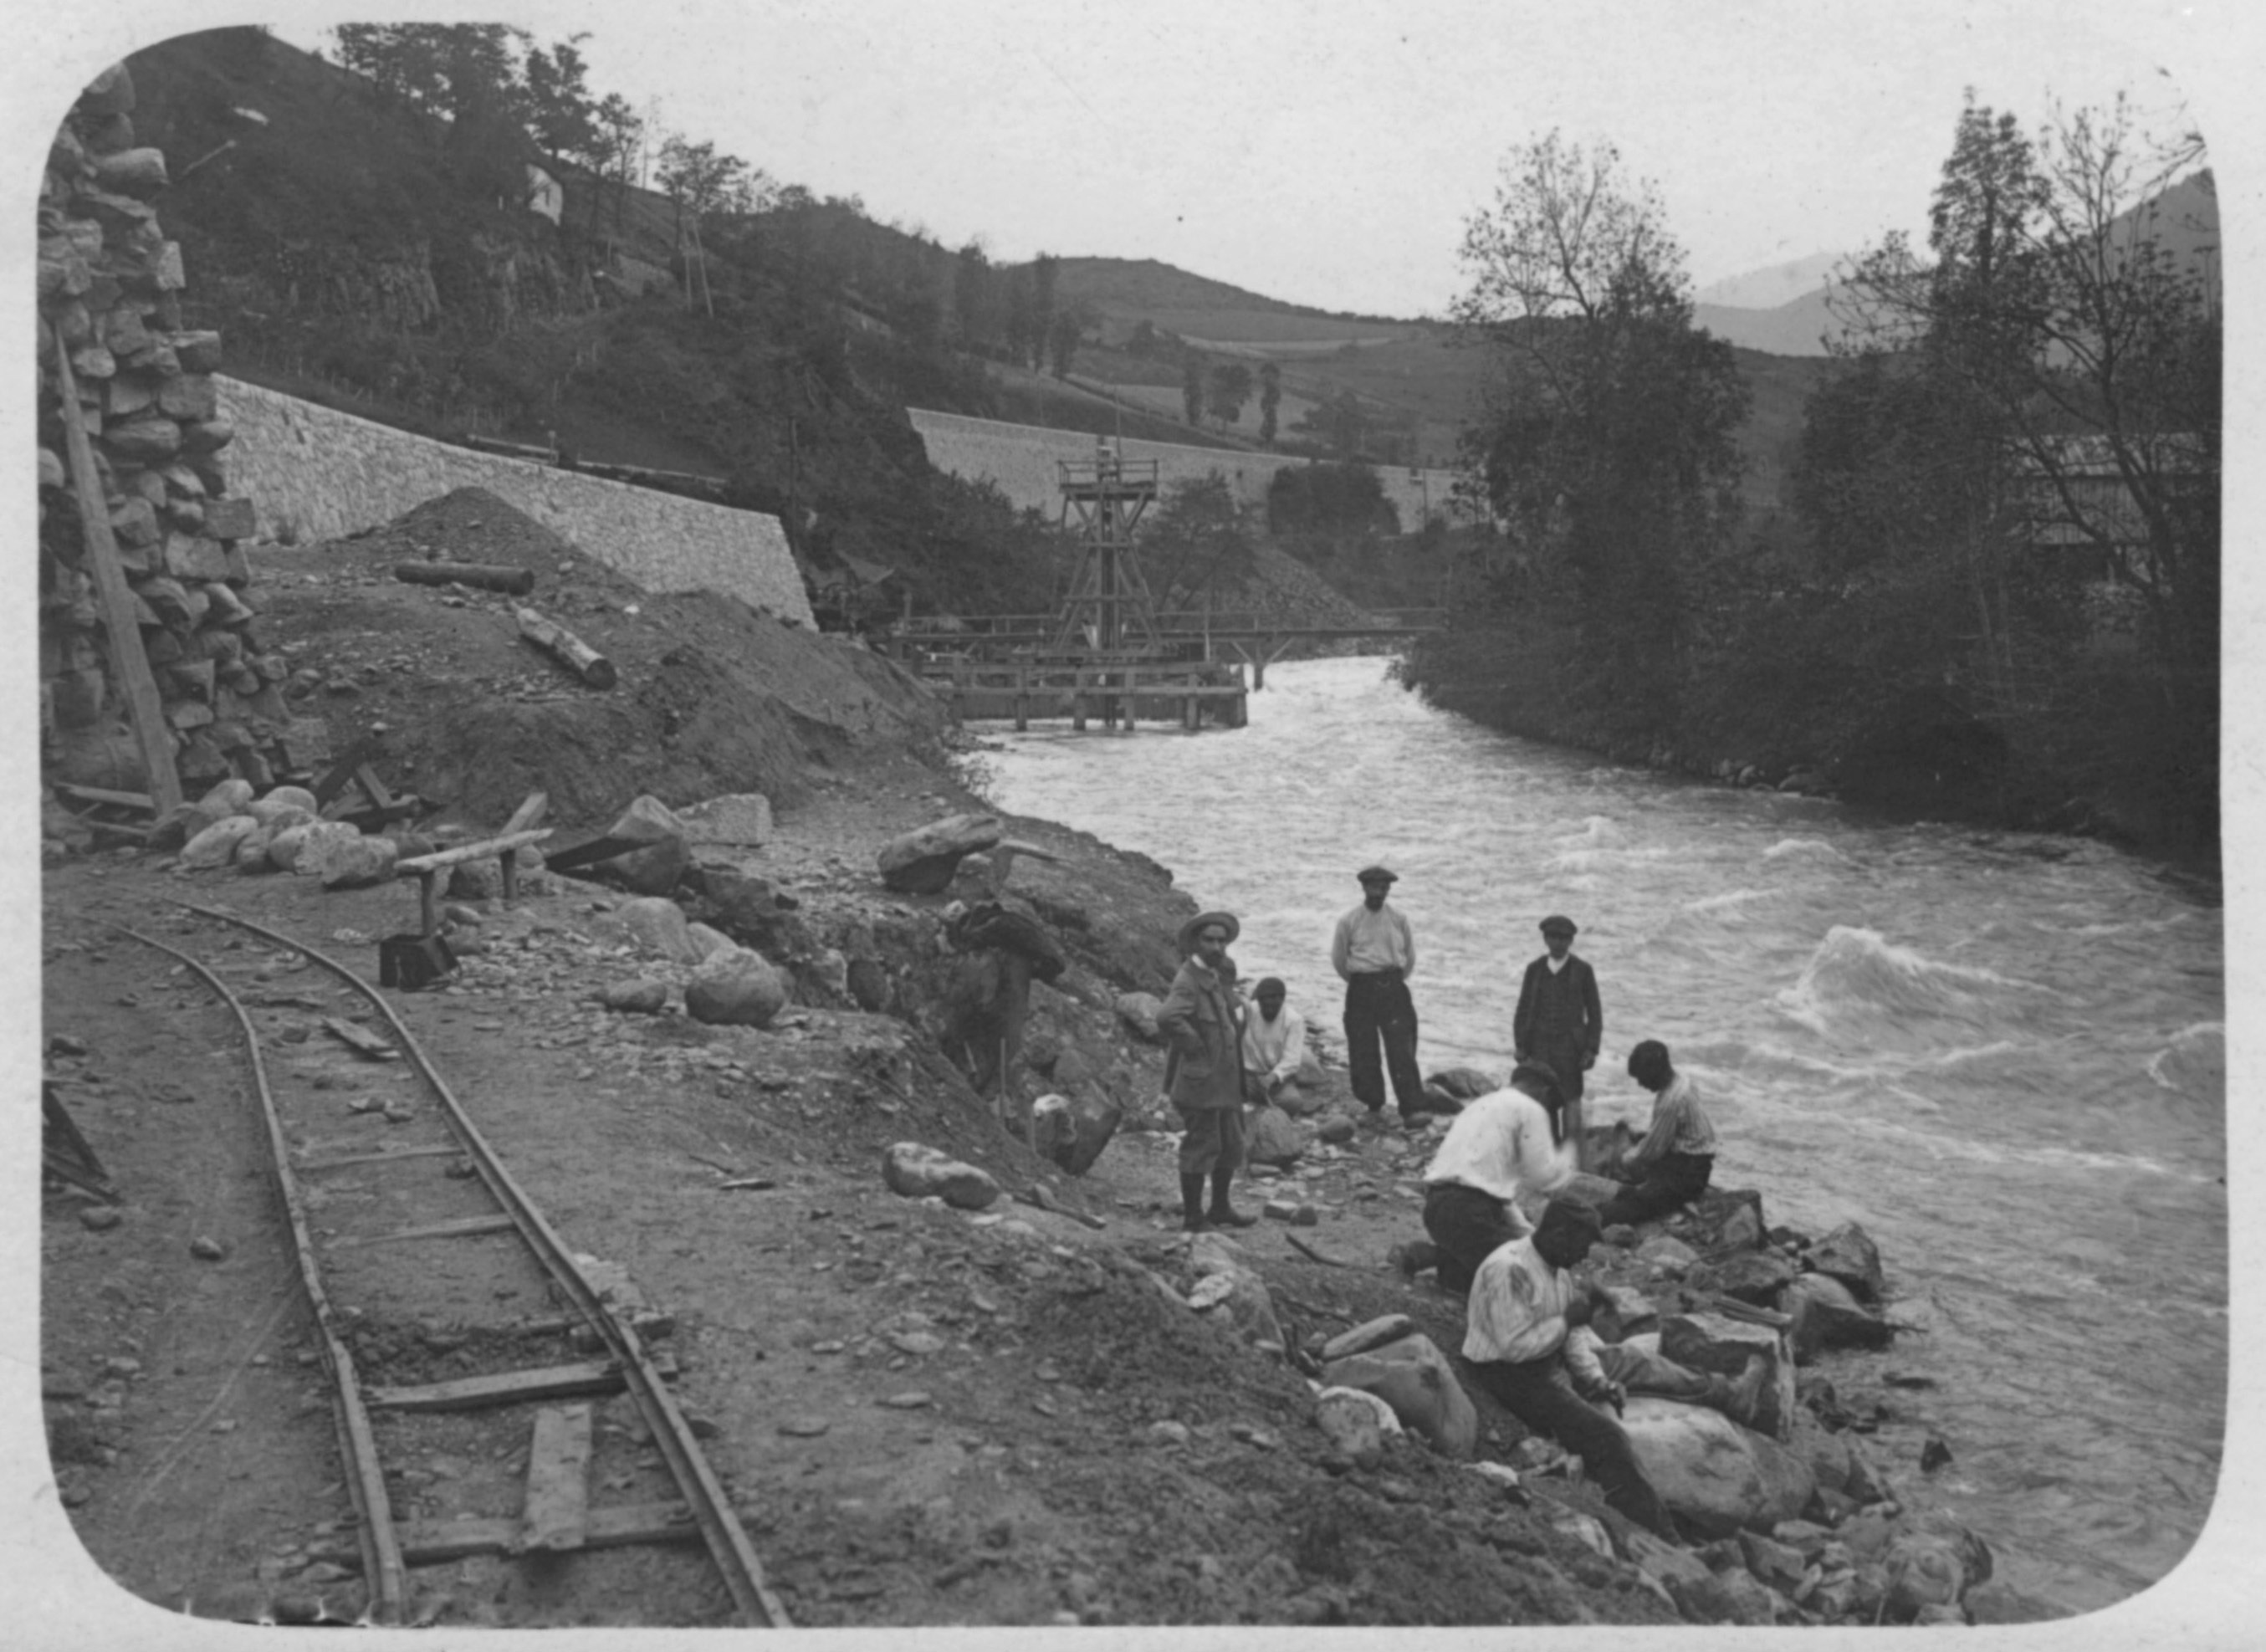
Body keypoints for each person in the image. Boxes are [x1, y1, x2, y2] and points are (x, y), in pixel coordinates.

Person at [1460, 1199, 1765, 1539]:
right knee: (1607, 1438)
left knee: (1635, 1360)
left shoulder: (1557, 1271)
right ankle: (1664, 1538)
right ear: (1559, 1233)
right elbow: (1512, 1348)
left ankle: (1728, 1393)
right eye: (1581, 1245)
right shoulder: (1509, 1268)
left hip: (1545, 1357)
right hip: (1509, 1376)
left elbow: (1573, 1337)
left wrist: (1597, 1380)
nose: (1583, 1256)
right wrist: (1566, 1322)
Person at [1414, 1060, 1576, 1294]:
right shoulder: (1531, 1109)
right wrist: (1568, 1160)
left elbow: (1490, 1188)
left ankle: (1431, 1255)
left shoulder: (1480, 1104)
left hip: (1436, 1208)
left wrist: (1528, 1234)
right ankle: (1442, 1256)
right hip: (1470, 1214)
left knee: (1462, 1284)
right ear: (1545, 1092)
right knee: (1530, 1276)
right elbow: (1542, 1176)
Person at [1155, 910, 1256, 1233]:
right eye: (1209, 940)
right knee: (1202, 1146)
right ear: (1196, 943)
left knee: (1231, 1144)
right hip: (1200, 1083)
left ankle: (1221, 1208)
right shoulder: (1188, 980)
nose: (1216, 947)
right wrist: (1195, 1046)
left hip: (1223, 1084)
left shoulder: (1212, 976)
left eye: (1221, 941)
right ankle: (1194, 1218)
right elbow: (1168, 1017)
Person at [1332, 865, 1425, 1125]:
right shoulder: (1349, 921)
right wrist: (1363, 981)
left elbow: (1409, 958)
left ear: (1388, 890)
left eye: (1383, 888)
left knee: (1402, 1049)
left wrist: (1390, 981)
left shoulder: (1398, 919)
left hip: (1393, 988)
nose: (1378, 892)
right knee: (1363, 1048)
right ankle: (1373, 1105)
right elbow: (1339, 960)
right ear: (1364, 888)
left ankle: (1411, 1108)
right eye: (1373, 887)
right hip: (1361, 989)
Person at [1597, 1040, 1718, 1229]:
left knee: (1636, 1201)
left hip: (1688, 1173)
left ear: (1654, 1072)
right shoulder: (1682, 1080)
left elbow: (1650, 1152)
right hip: (1692, 1158)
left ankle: (1599, 1217)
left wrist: (1624, 1160)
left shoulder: (1671, 1101)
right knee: (1636, 1161)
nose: (1640, 1084)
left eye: (1641, 1078)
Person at [1512, 915, 1604, 1168]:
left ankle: (1571, 1158)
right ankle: (1547, 1154)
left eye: (1564, 938)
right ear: (1545, 939)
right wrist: (1520, 1044)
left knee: (1571, 1100)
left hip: (1570, 1049)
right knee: (1543, 1101)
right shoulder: (1535, 969)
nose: (1558, 943)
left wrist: (1591, 1049)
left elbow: (1595, 1013)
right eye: (1553, 937)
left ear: (1572, 940)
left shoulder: (1583, 971)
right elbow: (1522, 1009)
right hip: (1539, 1046)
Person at [1240, 976, 1307, 1107]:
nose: (1269, 1010)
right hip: (1247, 1076)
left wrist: (1272, 1077)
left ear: (1282, 1001)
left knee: (1293, 1102)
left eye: (1273, 1006)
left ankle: (1259, 1101)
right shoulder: (1248, 1010)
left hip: (1277, 1080)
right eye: (1265, 1006)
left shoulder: (1294, 1020)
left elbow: (1292, 1059)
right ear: (1258, 1002)